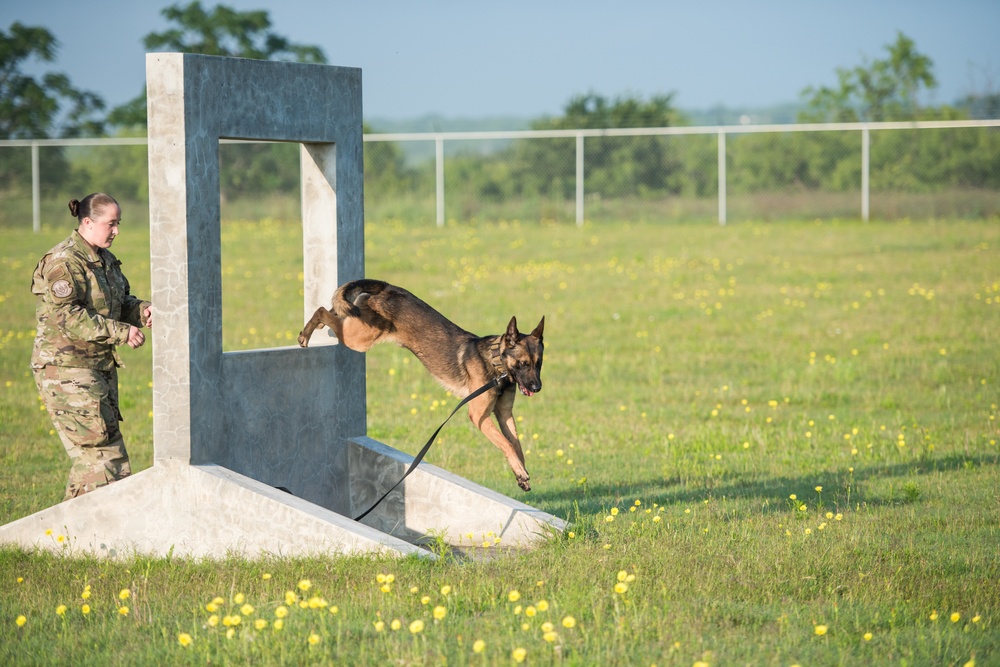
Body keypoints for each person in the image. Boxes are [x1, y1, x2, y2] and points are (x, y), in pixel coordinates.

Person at [30, 193, 153, 500]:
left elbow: (117, 302)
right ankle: (91, 534)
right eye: (111, 224)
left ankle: (69, 535)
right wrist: (121, 332)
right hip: (65, 370)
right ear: (87, 222)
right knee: (104, 456)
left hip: (97, 368)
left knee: (98, 456)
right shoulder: (64, 262)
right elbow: (68, 316)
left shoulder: (105, 260)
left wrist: (142, 310)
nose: (116, 231)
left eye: (118, 223)